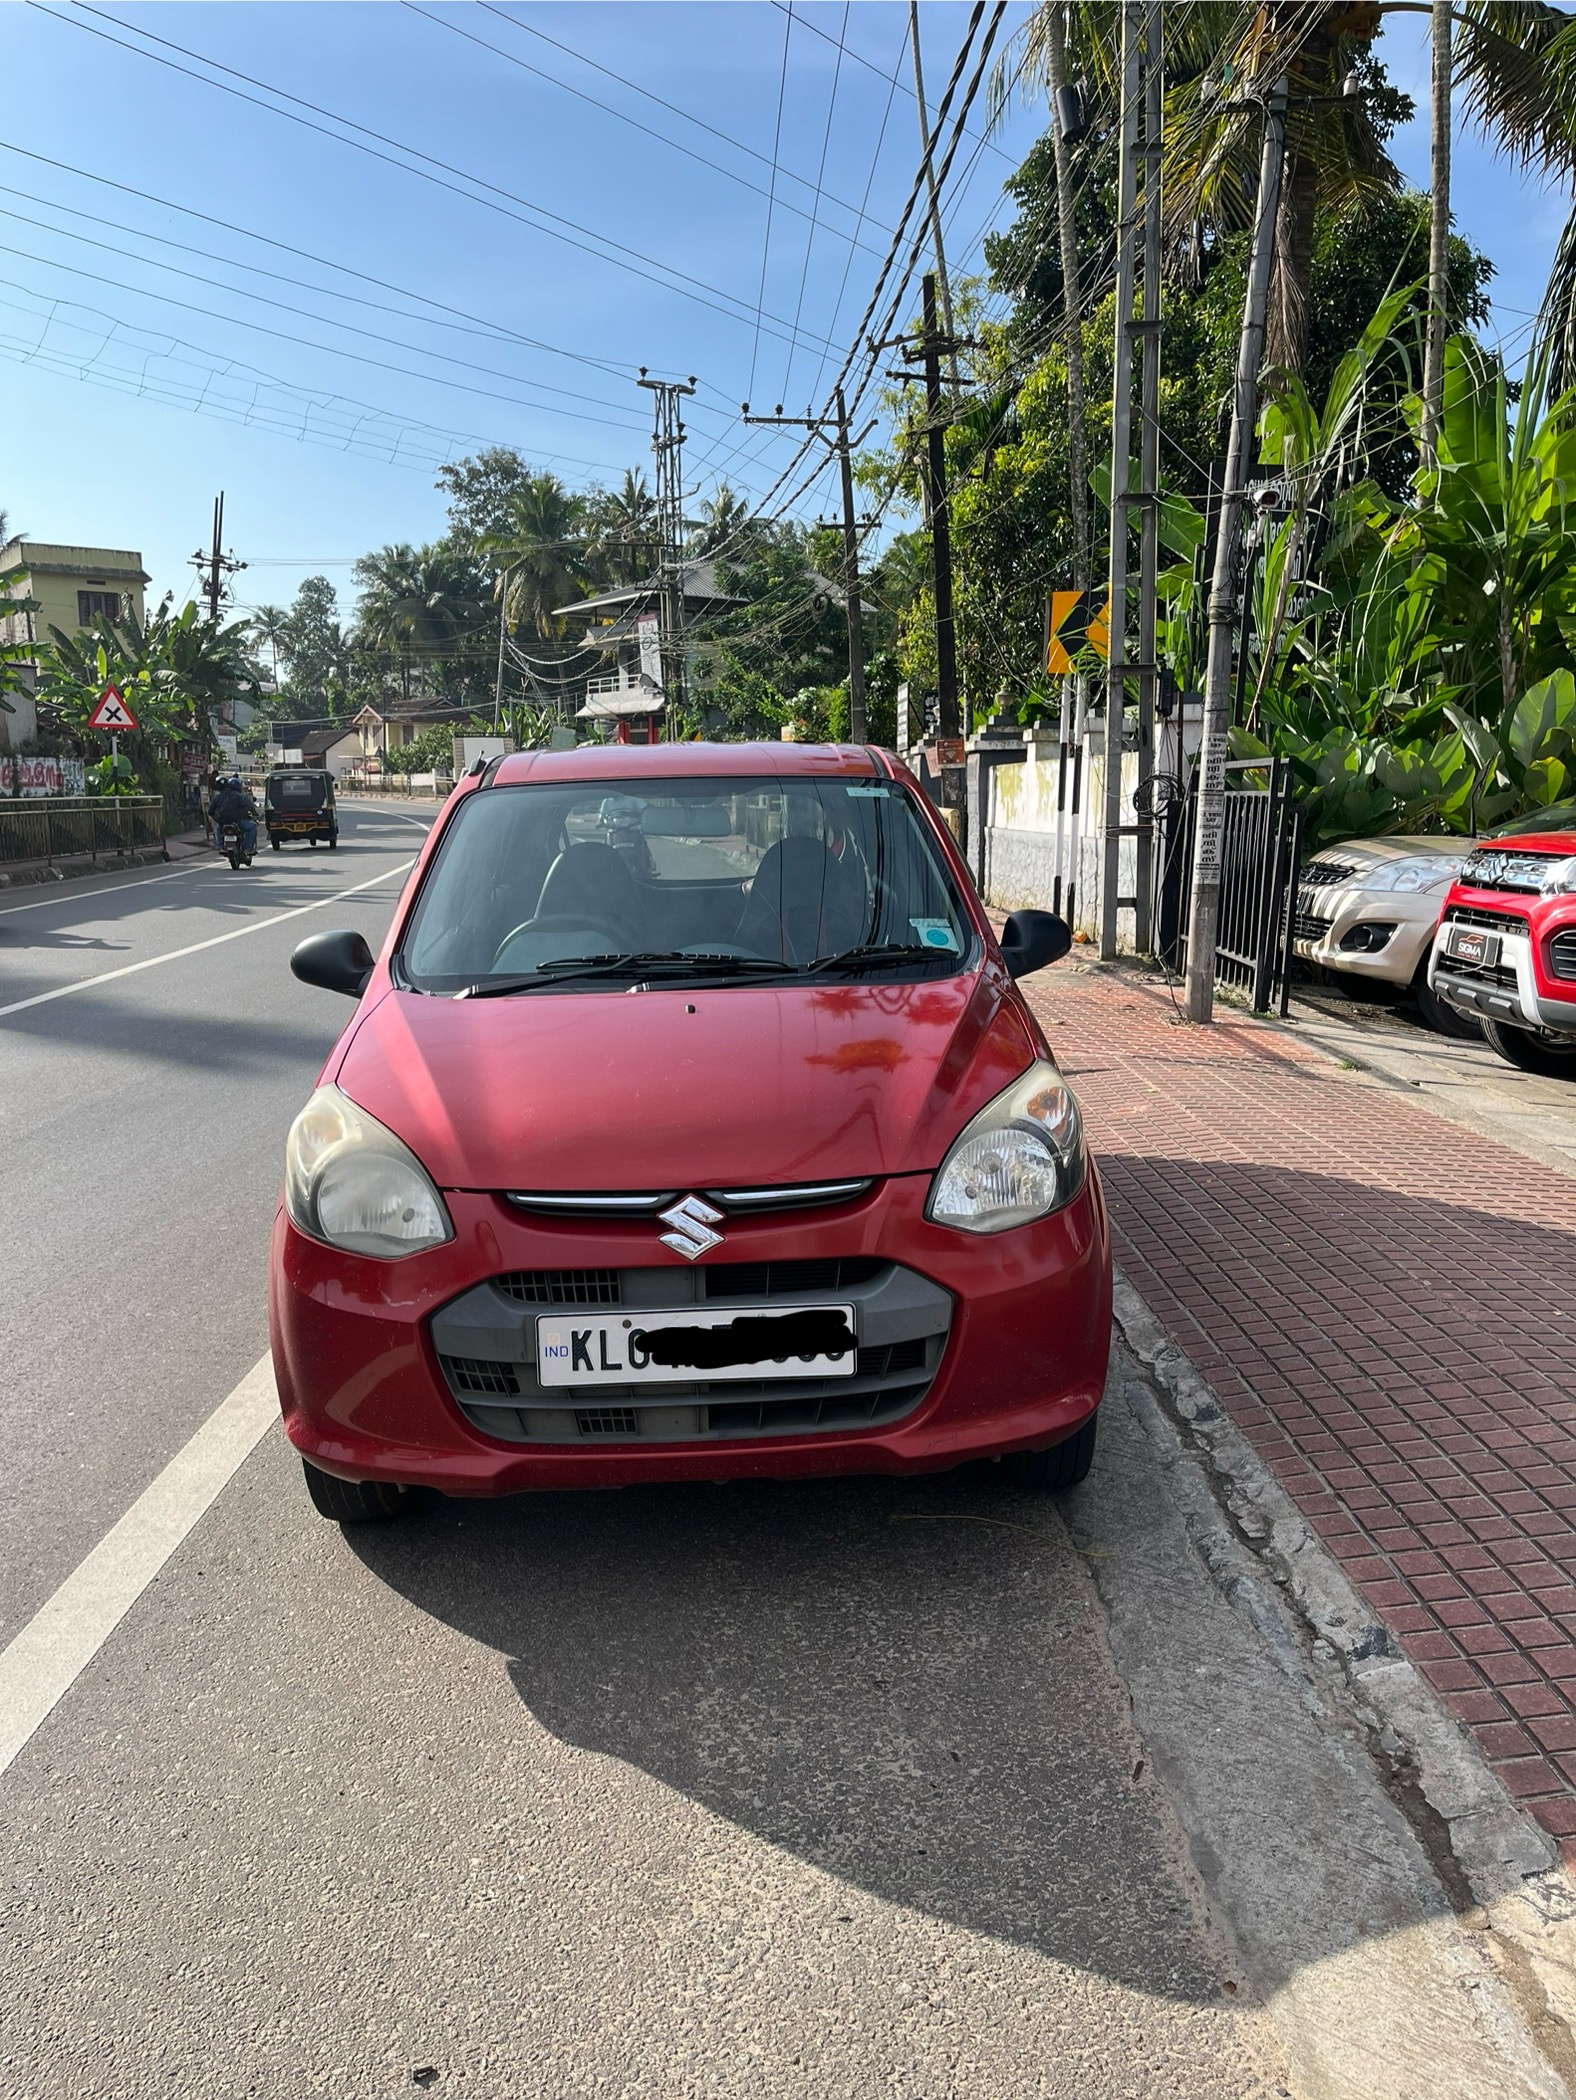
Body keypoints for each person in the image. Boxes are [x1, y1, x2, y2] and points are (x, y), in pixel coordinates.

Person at [210, 773, 259, 860]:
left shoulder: (218, 797)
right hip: (238, 821)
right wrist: (255, 814)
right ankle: (247, 849)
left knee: (217, 828)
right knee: (252, 827)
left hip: (223, 822)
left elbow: (210, 811)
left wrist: (217, 819)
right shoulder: (239, 796)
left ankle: (220, 847)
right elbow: (249, 805)